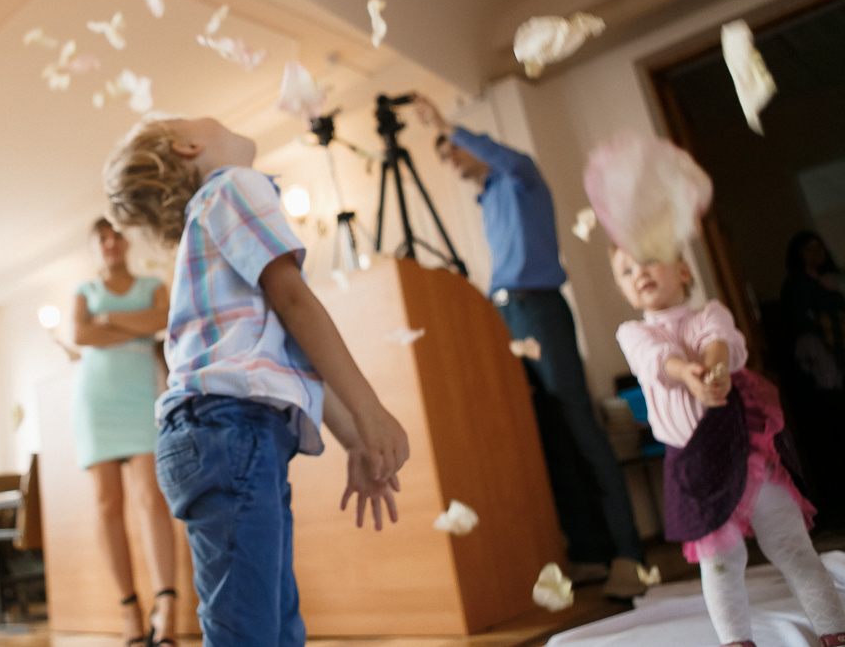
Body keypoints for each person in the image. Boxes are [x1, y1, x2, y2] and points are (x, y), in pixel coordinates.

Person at [102, 114, 409, 646]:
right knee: (251, 630)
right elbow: (294, 298)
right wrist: (370, 410)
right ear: (190, 145)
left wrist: (357, 441)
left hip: (217, 433)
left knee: (268, 623)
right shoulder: (232, 187)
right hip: (229, 431)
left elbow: (289, 353)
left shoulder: (208, 225)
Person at [408, 93, 645, 599]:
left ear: (476, 147)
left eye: (451, 151)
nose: (450, 163)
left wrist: (445, 123)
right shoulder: (487, 199)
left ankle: (629, 552)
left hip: (538, 308)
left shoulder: (521, 179)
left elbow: (509, 157)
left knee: (579, 424)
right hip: (506, 313)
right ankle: (588, 552)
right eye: (443, 158)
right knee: (547, 431)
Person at [610, 246, 845, 647]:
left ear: (684, 270)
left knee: (792, 548)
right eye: (626, 271)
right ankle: (736, 642)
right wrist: (687, 372)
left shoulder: (711, 312)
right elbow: (656, 359)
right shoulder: (633, 333)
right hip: (695, 468)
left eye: (649, 260)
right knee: (719, 564)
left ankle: (834, 630)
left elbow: (718, 340)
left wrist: (715, 370)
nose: (639, 273)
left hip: (748, 455)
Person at [71, 217, 177, 646]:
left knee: (152, 500)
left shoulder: (152, 284)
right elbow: (80, 333)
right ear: (95, 246)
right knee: (107, 503)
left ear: (127, 240)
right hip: (97, 403)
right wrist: (137, 323)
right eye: (102, 238)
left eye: (116, 235)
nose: (111, 243)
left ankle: (167, 604)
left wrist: (110, 320)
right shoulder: (84, 291)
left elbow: (163, 319)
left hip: (143, 401)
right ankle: (129, 607)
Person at [778, 230, 845, 526]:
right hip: (818, 375)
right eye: (808, 248)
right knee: (830, 434)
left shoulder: (834, 280)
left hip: (839, 361)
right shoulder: (796, 286)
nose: (814, 253)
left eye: (818, 247)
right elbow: (802, 331)